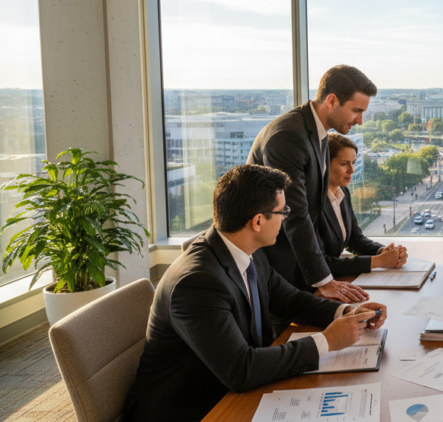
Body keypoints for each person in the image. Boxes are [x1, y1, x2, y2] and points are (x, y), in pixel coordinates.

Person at [124, 165, 387, 422]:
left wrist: (348, 313)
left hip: (232, 390)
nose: (286, 217)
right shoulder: (197, 283)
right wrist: (327, 342)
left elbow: (290, 300)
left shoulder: (244, 249)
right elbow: (240, 370)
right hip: (194, 408)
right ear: (258, 221)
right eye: (282, 211)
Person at [248, 65, 375, 302]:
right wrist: (324, 280)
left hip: (298, 267)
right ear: (332, 100)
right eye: (356, 111)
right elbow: (295, 214)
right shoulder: (288, 136)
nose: (360, 121)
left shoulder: (319, 134)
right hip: (276, 269)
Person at [316, 133, 408, 275]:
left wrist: (381, 251)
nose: (352, 170)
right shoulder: (313, 203)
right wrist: (379, 261)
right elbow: (321, 263)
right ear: (324, 164)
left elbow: (354, 239)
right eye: (344, 164)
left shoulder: (343, 193)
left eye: (353, 163)